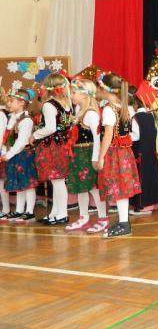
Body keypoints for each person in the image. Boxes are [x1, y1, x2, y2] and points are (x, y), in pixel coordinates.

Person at [96, 72, 142, 238]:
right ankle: (123, 221)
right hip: (125, 152)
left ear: (105, 89)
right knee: (122, 186)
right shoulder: (124, 106)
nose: (97, 91)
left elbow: (108, 135)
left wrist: (101, 157)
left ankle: (124, 223)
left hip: (114, 153)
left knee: (119, 187)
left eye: (98, 88)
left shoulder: (109, 109)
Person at [64, 79, 106, 231]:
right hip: (78, 155)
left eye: (73, 93)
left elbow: (97, 138)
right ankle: (83, 217)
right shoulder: (79, 112)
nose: (71, 96)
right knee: (80, 188)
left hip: (88, 155)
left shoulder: (91, 114)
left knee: (93, 188)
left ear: (83, 94)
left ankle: (103, 218)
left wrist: (95, 159)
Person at [32, 73, 72, 226]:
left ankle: (62, 214)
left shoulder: (49, 104)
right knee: (57, 181)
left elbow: (50, 128)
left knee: (58, 181)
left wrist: (34, 135)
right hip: (63, 144)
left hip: (53, 146)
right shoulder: (66, 103)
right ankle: (55, 212)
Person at [1, 88, 38, 222]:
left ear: (22, 103)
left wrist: (8, 154)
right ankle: (19, 210)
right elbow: (7, 137)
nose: (8, 103)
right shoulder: (13, 118)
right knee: (18, 183)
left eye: (12, 101)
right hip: (15, 155)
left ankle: (30, 211)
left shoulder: (26, 120)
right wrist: (5, 152)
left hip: (24, 155)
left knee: (27, 183)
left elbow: (21, 142)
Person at [130, 88, 158, 215]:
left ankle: (144, 205)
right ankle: (154, 202)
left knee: (142, 178)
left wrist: (126, 136)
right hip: (151, 152)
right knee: (152, 176)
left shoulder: (136, 118)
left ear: (135, 104)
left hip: (141, 153)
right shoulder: (151, 116)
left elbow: (136, 136)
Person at [0, 93, 10, 219]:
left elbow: (1, 135)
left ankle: (6, 208)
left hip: (1, 152)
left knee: (1, 181)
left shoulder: (1, 114)